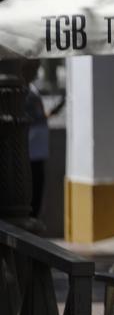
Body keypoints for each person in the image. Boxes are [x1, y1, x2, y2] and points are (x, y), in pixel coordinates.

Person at [20, 61, 47, 219]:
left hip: (38, 153)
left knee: (36, 197)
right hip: (28, 154)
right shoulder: (21, 91)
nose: (36, 70)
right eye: (34, 66)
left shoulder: (32, 90)